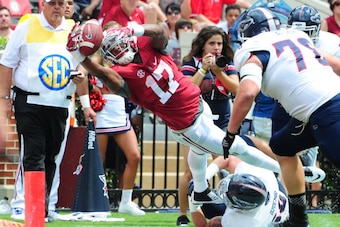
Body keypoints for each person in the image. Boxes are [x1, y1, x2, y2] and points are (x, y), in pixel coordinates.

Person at [66, 21, 282, 210]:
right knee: (235, 148)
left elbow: (161, 32)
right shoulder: (121, 76)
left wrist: (134, 28)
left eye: (118, 43)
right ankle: (282, 169)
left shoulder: (147, 43)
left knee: (199, 152)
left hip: (198, 103)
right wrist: (78, 55)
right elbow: (101, 73)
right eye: (111, 49)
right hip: (187, 125)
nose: (118, 50)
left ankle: (200, 190)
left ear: (128, 37)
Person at [225, 7, 340, 226]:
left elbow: (248, 92)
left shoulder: (252, 52)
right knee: (282, 146)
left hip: (326, 109)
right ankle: (298, 219)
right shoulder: (296, 37)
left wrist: (230, 133)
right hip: (321, 107)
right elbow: (335, 65)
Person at [0, 0, 96, 222]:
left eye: (61, 3)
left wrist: (86, 102)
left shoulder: (72, 30)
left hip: (59, 104)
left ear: (66, 6)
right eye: (52, 3)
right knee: (34, 155)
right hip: (29, 102)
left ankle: (41, 207)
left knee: (51, 158)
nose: (56, 7)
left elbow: (80, 67)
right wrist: (4, 99)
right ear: (43, 4)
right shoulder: (27, 25)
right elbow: (7, 63)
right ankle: (27, 207)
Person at [176, 25, 239, 226]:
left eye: (219, 43)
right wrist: (203, 68)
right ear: (202, 45)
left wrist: (219, 72)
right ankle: (183, 214)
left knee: (226, 166)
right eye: (211, 43)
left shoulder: (227, 63)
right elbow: (187, 89)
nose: (216, 48)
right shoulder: (190, 63)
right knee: (190, 171)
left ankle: (233, 211)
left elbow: (236, 88)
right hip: (196, 122)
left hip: (222, 121)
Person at [86, 21, 145, 216]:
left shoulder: (125, 58)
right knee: (98, 160)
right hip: (101, 113)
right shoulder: (97, 58)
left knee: (134, 156)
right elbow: (85, 73)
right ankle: (95, 200)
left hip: (120, 112)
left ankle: (125, 202)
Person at [188, 155, 289, 227]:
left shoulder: (243, 222)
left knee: (213, 217)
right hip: (274, 193)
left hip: (274, 222)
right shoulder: (260, 173)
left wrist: (192, 200)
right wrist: (204, 177)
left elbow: (203, 225)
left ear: (241, 207)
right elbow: (229, 159)